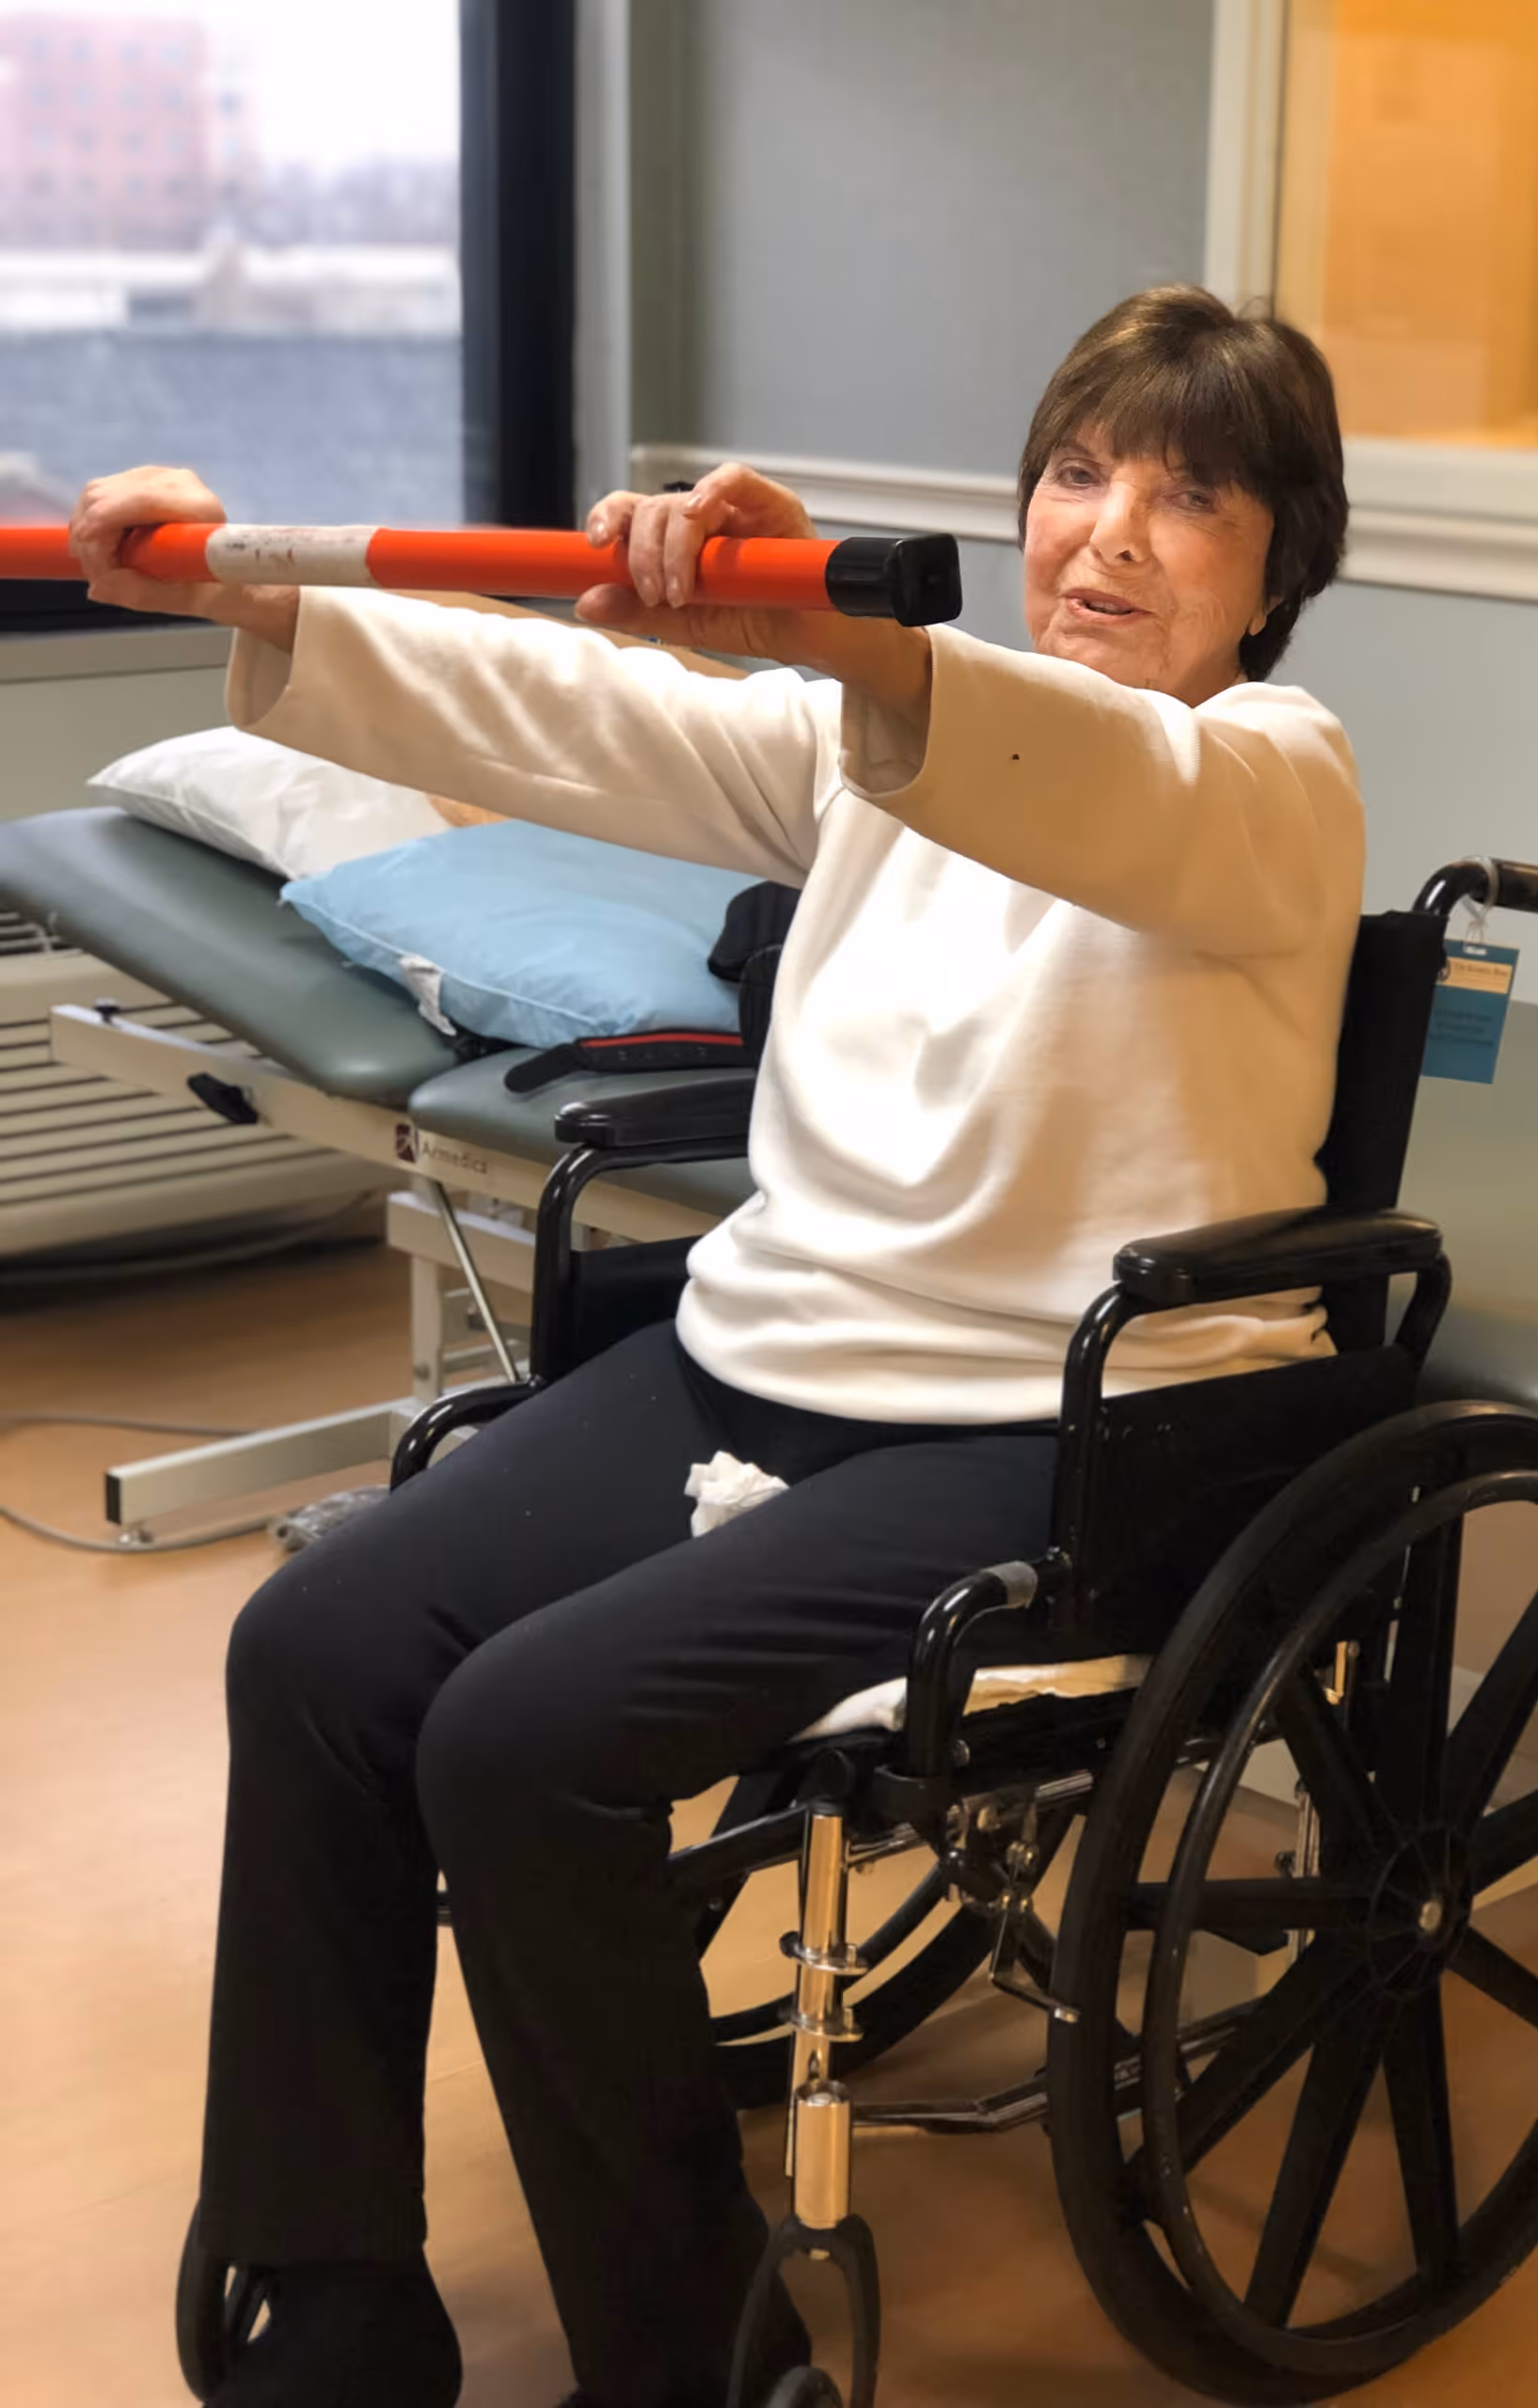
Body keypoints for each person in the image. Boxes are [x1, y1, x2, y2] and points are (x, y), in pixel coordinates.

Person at [72, 285, 1358, 2408]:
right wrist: (247, 573)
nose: (1110, 532)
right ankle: (337, 2290)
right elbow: (556, 706)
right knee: (313, 1649)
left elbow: (1093, 785)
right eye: (1075, 475)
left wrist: (857, 647)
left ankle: (702, 2355)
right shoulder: (874, 756)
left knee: (517, 1735)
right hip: (767, 1353)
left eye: (1190, 496)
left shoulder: (1268, 777)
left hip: (1047, 1420)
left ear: (1277, 565)